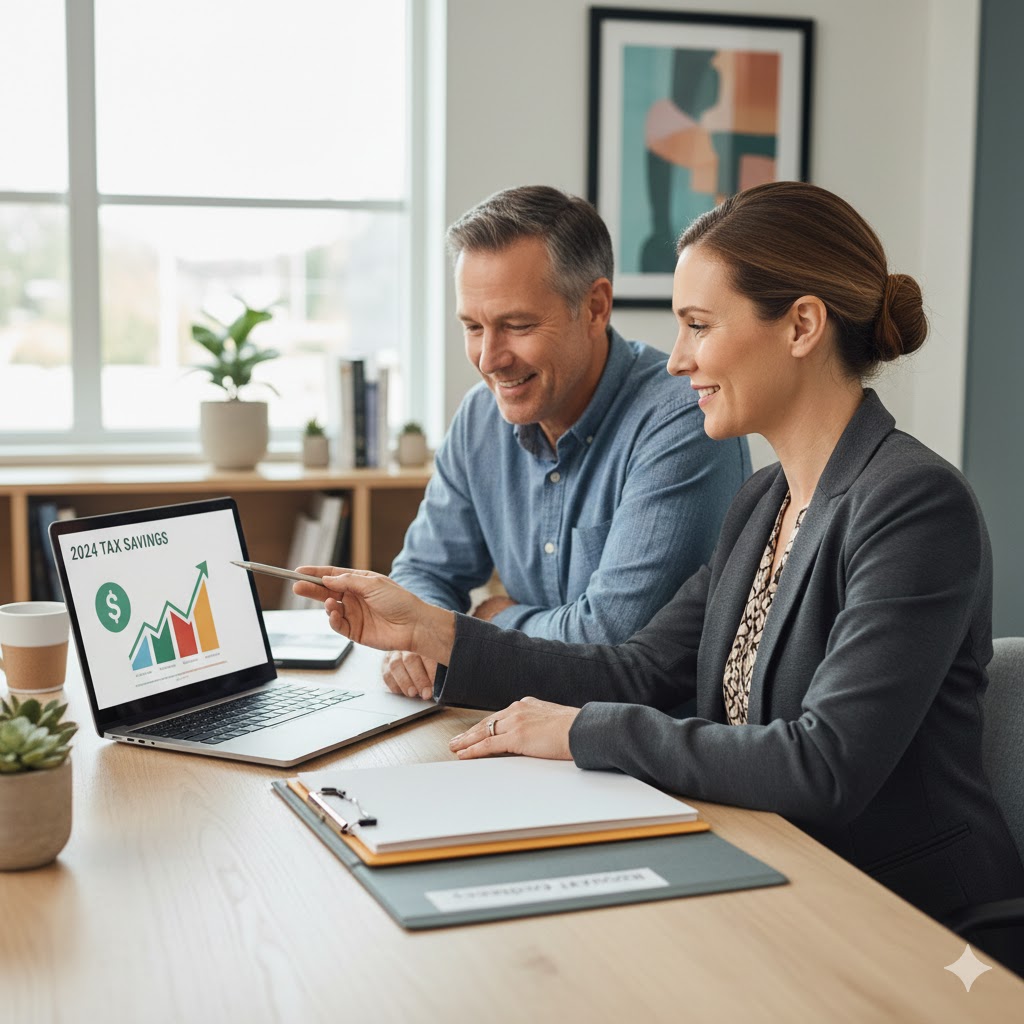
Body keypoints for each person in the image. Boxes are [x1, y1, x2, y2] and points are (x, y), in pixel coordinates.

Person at [296, 181, 1024, 930]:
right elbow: (638, 668)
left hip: (907, 913)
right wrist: (433, 629)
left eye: (699, 326)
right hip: (774, 864)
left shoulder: (913, 505)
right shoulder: (765, 501)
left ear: (803, 324)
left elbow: (823, 765)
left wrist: (584, 730)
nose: (677, 361)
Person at [383, 185, 750, 700]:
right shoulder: (480, 419)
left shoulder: (682, 419)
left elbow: (608, 644)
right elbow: (422, 573)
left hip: (642, 758)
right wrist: (417, 636)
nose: (489, 359)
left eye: (517, 325)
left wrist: (486, 619)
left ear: (596, 306)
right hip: (523, 731)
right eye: (473, 327)